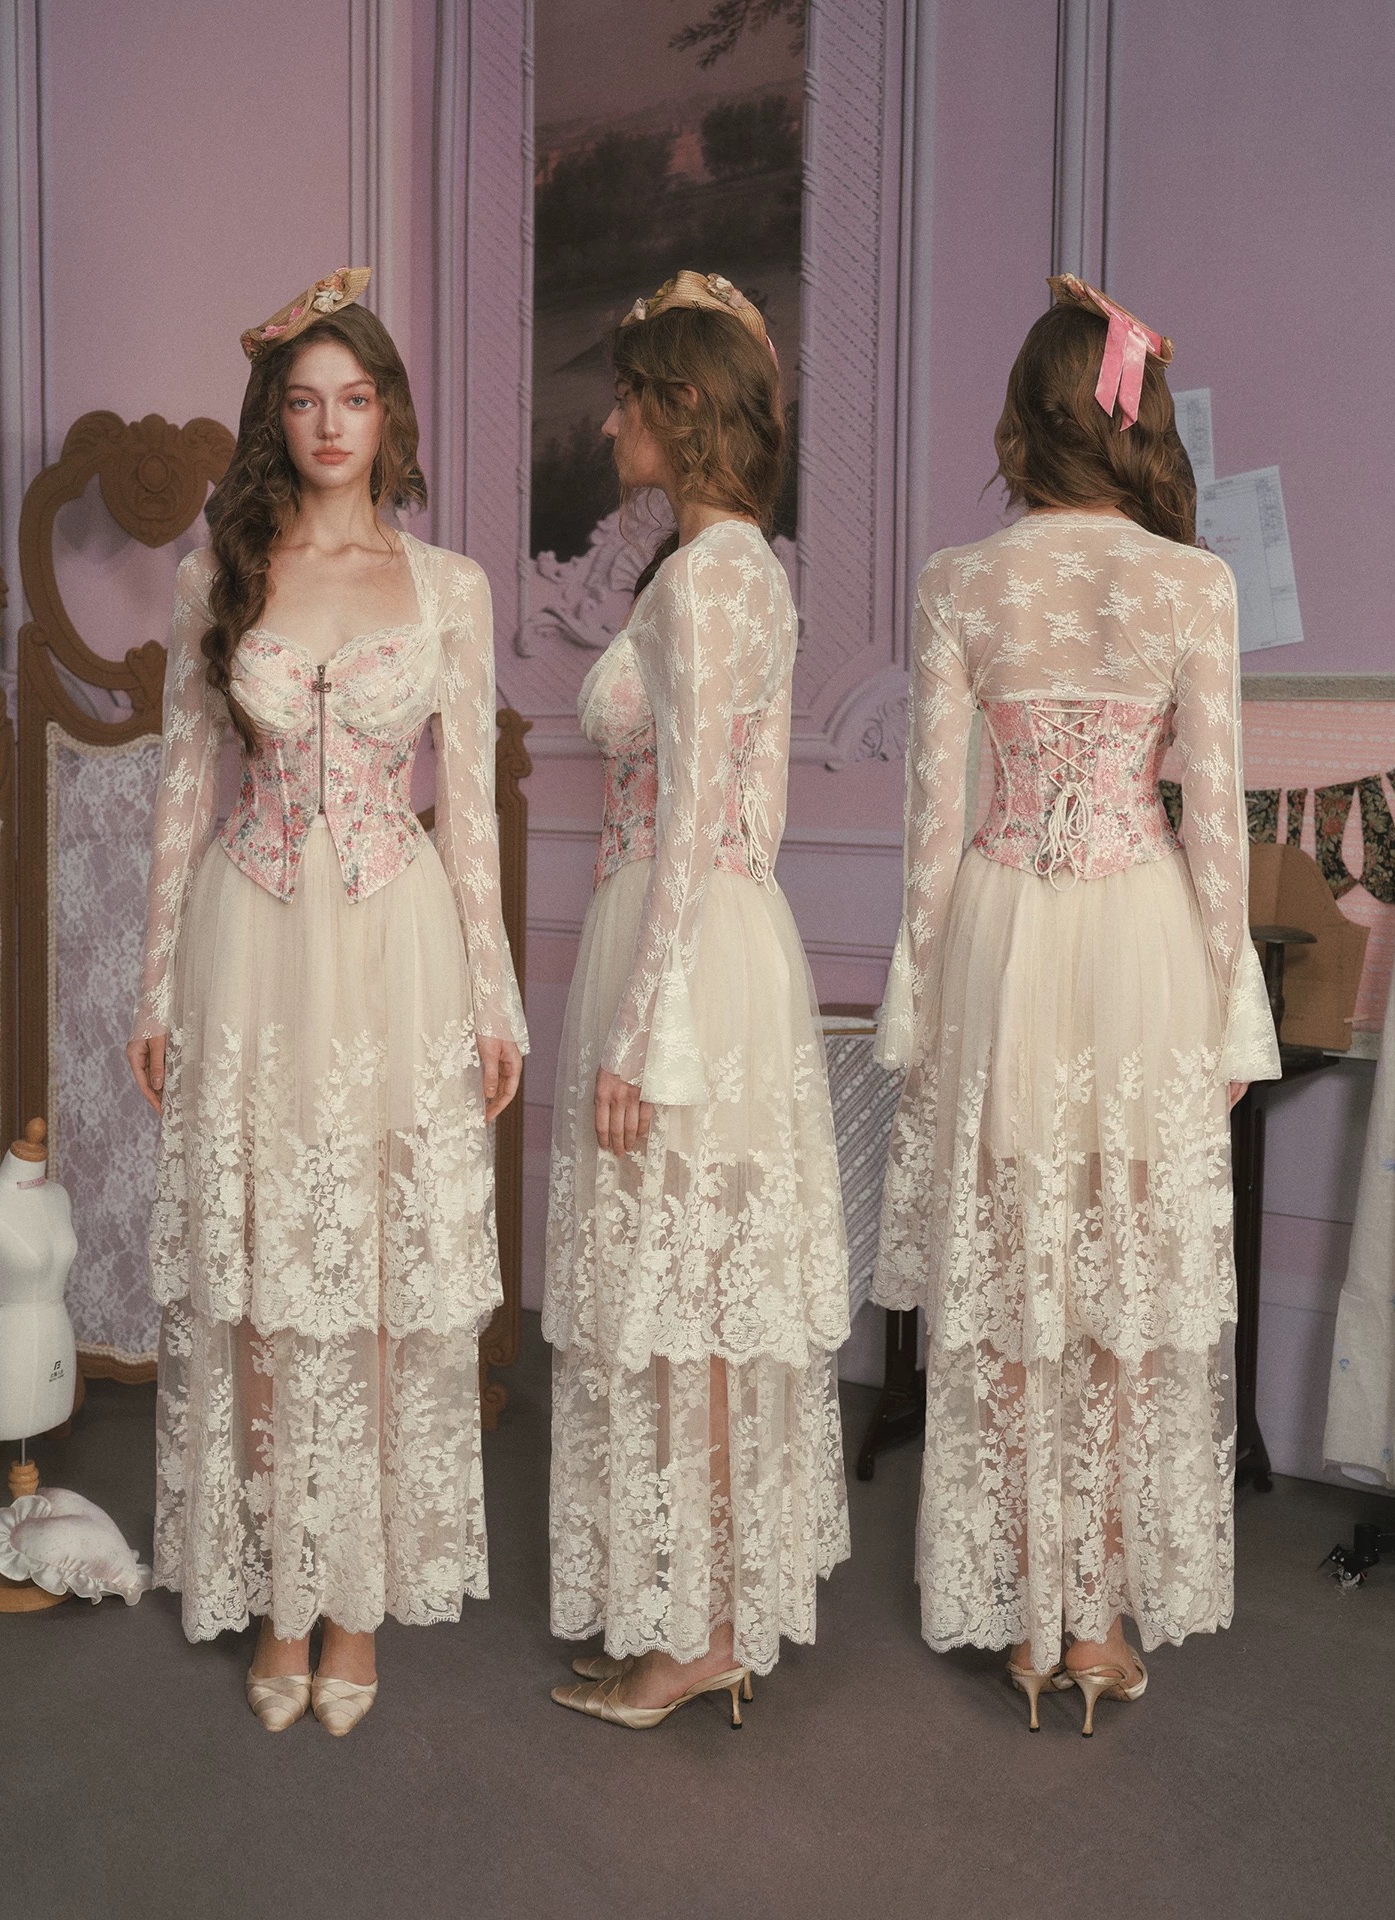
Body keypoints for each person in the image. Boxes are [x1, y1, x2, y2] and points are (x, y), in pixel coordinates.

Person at [873, 276, 1280, 1735]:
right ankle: (1094, 1619)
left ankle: (1025, 1609)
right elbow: (1217, 819)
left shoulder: (957, 582)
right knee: (1120, 1269)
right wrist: (1233, 1008)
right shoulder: (1193, 585)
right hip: (1139, 936)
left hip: (1002, 933)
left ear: (1023, 422)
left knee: (1011, 1260)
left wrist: (918, 1001)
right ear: (1133, 416)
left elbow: (934, 826)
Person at [126, 268, 527, 1735]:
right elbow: (183, 792)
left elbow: (468, 815)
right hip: (250, 938)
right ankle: (280, 1590)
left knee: (370, 1261)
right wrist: (155, 984)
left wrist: (497, 1001)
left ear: (388, 413)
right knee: (262, 1259)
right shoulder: (218, 574)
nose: (330, 425)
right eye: (302, 402)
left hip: (394, 946)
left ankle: (354, 1600)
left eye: (353, 399)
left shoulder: (451, 586)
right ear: (274, 418)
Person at [543, 271, 850, 1729]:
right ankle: (693, 1616)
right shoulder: (717, 568)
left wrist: (644, 1029)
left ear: (680, 410)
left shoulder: (716, 577)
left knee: (690, 1301)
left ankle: (700, 1632)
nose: (611, 427)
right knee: (684, 1293)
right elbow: (733, 811)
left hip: (684, 954)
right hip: (693, 942)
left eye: (629, 401)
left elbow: (697, 827)